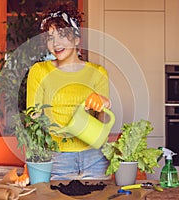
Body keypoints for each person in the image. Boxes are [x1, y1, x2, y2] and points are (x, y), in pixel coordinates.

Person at [26, 1, 111, 181]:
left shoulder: (98, 73)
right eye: (50, 37)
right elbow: (32, 121)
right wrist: (31, 163)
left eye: (62, 35)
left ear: (77, 39)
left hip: (95, 158)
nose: (56, 43)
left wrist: (103, 103)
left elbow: (103, 124)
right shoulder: (39, 71)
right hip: (56, 159)